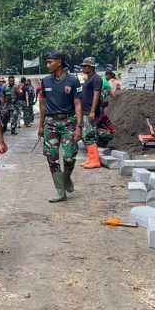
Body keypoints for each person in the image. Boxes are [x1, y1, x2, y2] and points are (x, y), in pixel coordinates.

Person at [37, 50, 83, 202]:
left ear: (60, 62)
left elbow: (78, 103)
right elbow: (43, 104)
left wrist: (79, 126)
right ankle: (60, 190)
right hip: (51, 122)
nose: (48, 65)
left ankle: (66, 177)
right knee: (52, 157)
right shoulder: (46, 81)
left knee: (69, 156)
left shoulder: (72, 81)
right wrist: (41, 125)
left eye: (50, 62)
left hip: (69, 121)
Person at [78, 57, 103, 169]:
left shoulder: (96, 79)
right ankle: (90, 159)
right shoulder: (89, 79)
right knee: (86, 136)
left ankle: (95, 160)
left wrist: (92, 111)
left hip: (90, 112)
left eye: (84, 66)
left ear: (90, 67)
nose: (82, 68)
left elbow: (96, 95)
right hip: (86, 111)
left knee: (89, 136)